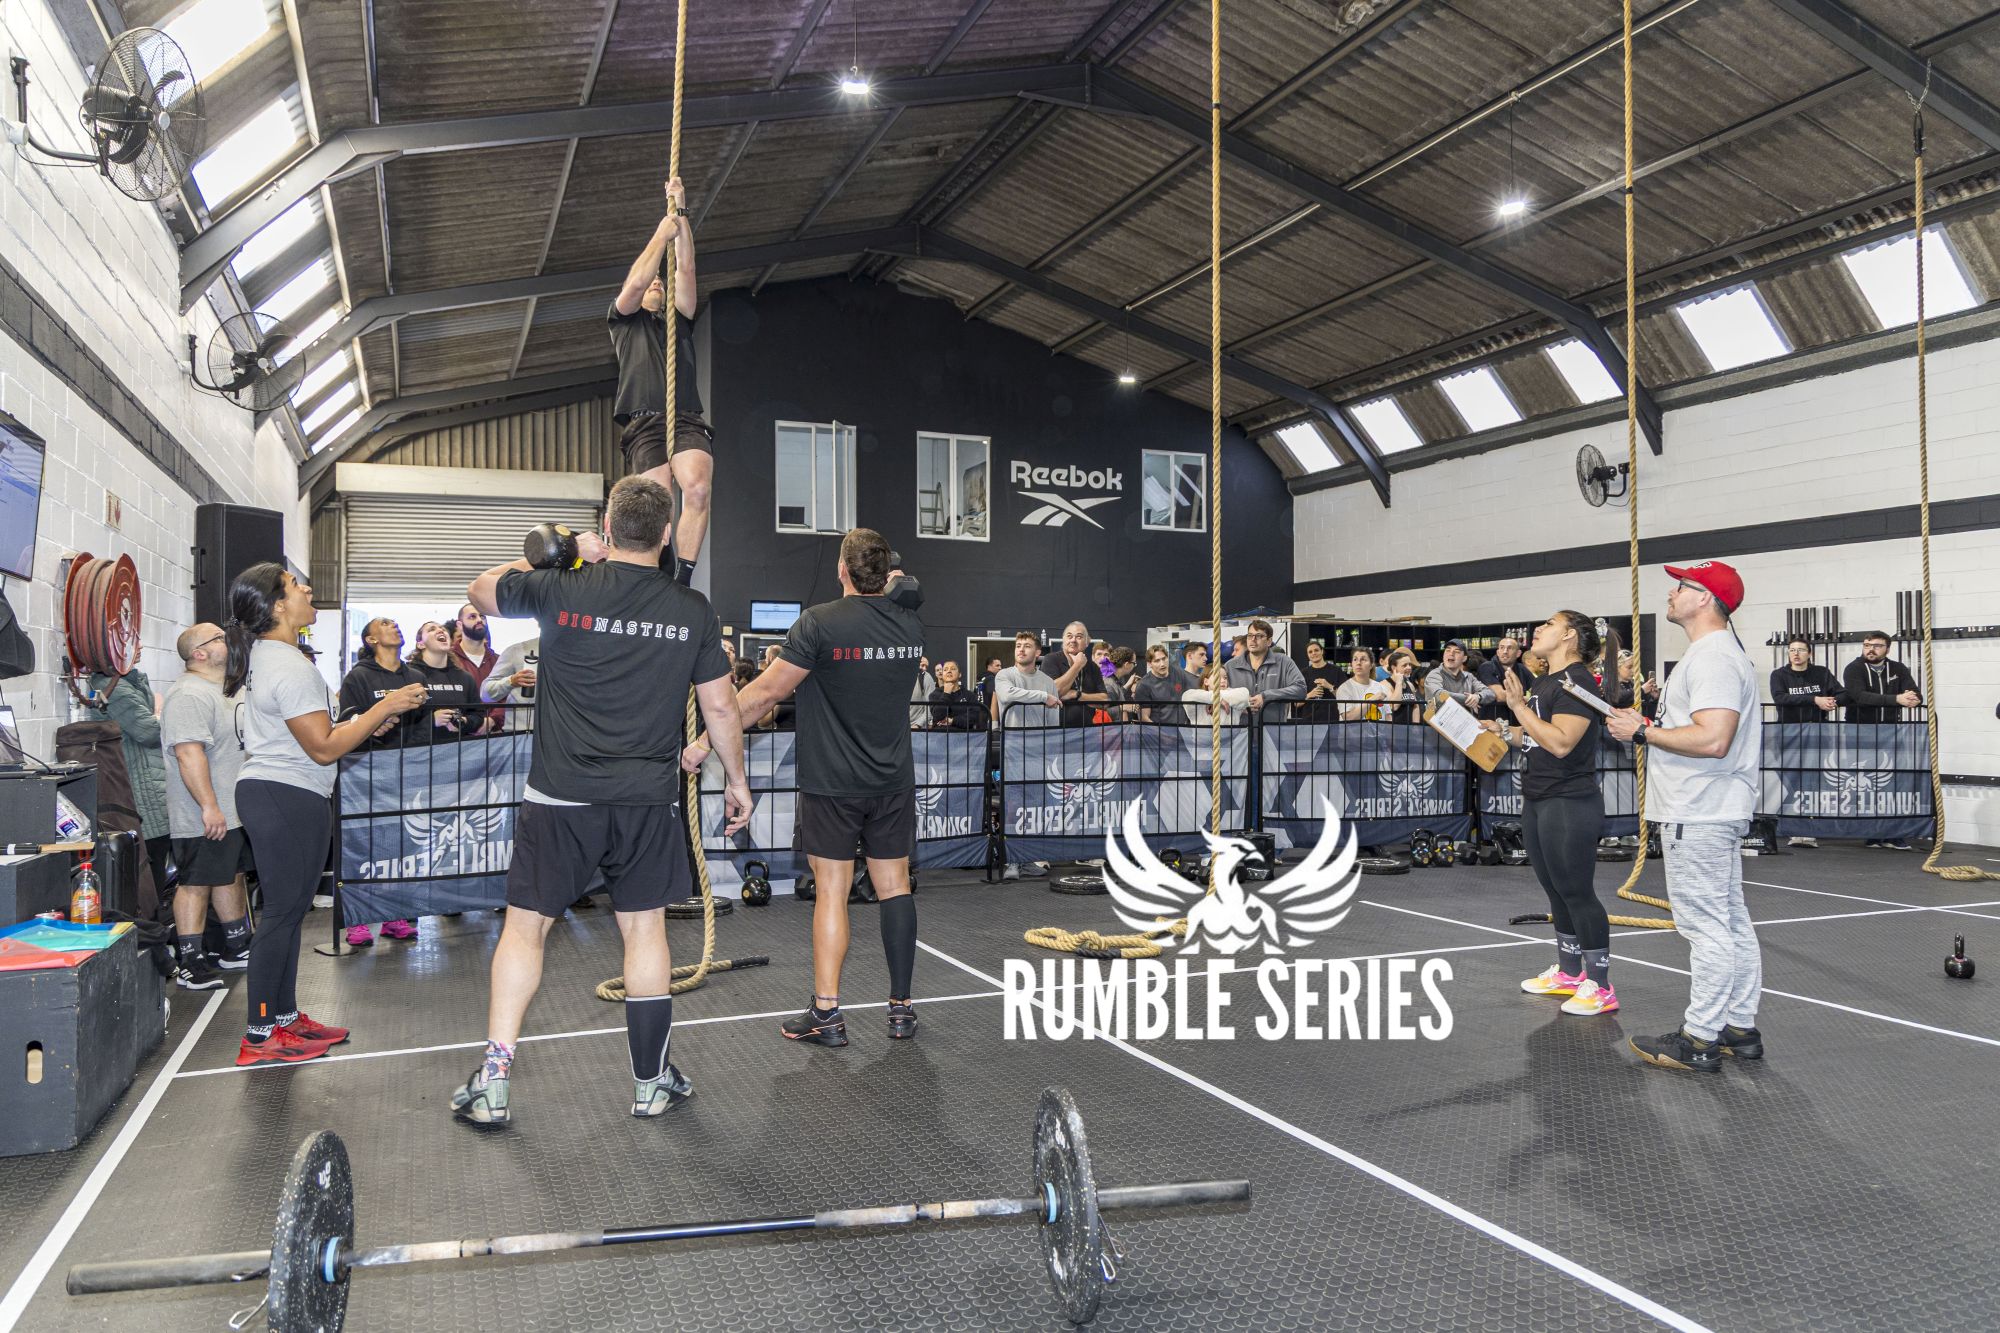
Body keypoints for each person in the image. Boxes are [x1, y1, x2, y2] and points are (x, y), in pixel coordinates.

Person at [454, 476, 750, 1124]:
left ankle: (494, 1082)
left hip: (559, 797)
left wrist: (560, 553)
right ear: (667, 535)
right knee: (643, 929)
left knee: (525, 928)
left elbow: (480, 589)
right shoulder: (691, 609)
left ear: (608, 529)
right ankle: (651, 1082)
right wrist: (737, 780)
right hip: (644, 800)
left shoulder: (562, 586)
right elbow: (722, 707)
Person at [726, 528, 923, 1048]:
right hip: (891, 780)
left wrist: (705, 741)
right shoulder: (910, 625)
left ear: (841, 569)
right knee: (895, 888)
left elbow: (764, 693)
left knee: (832, 892)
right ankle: (901, 1010)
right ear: (885, 572)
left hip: (834, 783)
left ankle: (827, 1014)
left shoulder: (818, 623)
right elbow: (904, 594)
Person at [225, 565, 426, 1066]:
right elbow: (322, 748)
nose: (309, 589)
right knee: (281, 915)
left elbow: (322, 734)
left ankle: (284, 1017)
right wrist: (386, 706)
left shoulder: (276, 657)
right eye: (297, 586)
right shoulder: (287, 665)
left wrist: (363, 723)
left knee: (290, 913)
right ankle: (259, 1035)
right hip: (285, 795)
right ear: (277, 606)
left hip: (286, 792)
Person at [1607, 561, 1764, 1073]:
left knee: (1705, 927)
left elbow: (1714, 739)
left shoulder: (1714, 657)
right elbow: (1700, 729)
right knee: (1730, 921)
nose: (1672, 594)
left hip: (1698, 811)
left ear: (1705, 599)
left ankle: (1699, 1038)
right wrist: (1650, 723)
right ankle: (1738, 1027)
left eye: (1683, 587)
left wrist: (1641, 732)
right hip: (1711, 808)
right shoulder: (1713, 654)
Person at [1490, 613, 1621, 1018]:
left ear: (1568, 635)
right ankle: (1569, 973)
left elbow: (1562, 742)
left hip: (1569, 802)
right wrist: (1499, 730)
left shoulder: (1577, 682)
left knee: (1577, 892)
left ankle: (1600, 986)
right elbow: (1535, 735)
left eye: (1548, 624)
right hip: (1539, 797)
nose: (1537, 630)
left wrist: (1517, 707)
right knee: (1556, 890)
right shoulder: (1546, 681)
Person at [609, 176, 710, 586]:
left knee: (697, 489)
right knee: (654, 507)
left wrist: (681, 213)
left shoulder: (679, 319)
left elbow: (685, 268)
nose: (657, 281)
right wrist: (660, 232)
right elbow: (636, 281)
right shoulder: (623, 320)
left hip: (684, 418)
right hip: (644, 422)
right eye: (654, 279)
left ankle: (683, 577)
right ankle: (651, 576)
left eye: (660, 282)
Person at [159, 622, 254, 990]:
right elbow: (188, 753)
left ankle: (236, 946)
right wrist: (209, 806)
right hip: (203, 813)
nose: (227, 641)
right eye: (218, 638)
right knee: (196, 883)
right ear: (199, 653)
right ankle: (190, 961)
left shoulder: (226, 689)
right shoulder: (189, 694)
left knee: (231, 874)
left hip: (233, 809)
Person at [86, 653, 172, 910]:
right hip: (142, 794)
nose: (139, 646)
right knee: (150, 872)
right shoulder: (113, 688)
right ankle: (149, 930)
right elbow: (150, 731)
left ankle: (154, 926)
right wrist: (161, 715)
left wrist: (156, 713)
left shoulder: (129, 682)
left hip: (150, 788)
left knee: (156, 869)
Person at [1842, 631, 1922, 849]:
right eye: (1867, 645)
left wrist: (1912, 698)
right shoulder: (1854, 668)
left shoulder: (1898, 668)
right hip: (1861, 734)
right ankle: (1872, 832)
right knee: (1867, 784)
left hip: (1891, 733)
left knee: (1892, 783)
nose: (1870, 649)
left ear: (1887, 648)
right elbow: (1860, 697)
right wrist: (1897, 699)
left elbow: (1915, 692)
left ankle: (1892, 832)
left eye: (1876, 645)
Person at [1768, 637, 1841, 848]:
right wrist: (1815, 700)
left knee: (1812, 782)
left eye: (1800, 650)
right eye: (1792, 650)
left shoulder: (1822, 673)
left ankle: (1809, 830)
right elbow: (1780, 698)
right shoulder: (1779, 675)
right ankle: (1794, 827)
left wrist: (1831, 701)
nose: (1796, 654)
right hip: (1788, 736)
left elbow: (1842, 693)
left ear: (1810, 653)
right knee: (1792, 781)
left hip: (1817, 735)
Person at [338, 618, 424, 751]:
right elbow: (347, 721)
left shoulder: (417, 677)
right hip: (371, 757)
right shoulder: (357, 677)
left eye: (394, 622)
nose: (395, 624)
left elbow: (426, 720)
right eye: (385, 623)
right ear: (371, 639)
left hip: (415, 756)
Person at [408, 620, 489, 739]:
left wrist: (464, 722)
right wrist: (432, 721)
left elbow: (478, 714)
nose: (440, 630)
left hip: (459, 746)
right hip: (420, 747)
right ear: (421, 644)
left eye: (443, 629)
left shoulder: (465, 677)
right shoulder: (409, 675)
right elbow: (401, 719)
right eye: (432, 629)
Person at [1223, 620, 1307, 724]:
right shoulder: (1230, 666)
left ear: (1269, 641)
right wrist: (1240, 703)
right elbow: (1216, 693)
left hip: (1272, 730)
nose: (1253, 640)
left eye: (1259, 636)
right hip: (1239, 731)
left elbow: (1300, 689)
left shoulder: (1284, 662)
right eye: (1250, 635)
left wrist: (1266, 696)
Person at [1041, 622, 1109, 727]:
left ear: (1087, 642)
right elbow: (1053, 691)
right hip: (1056, 729)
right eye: (1069, 636)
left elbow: (1105, 701)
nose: (1073, 640)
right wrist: (1077, 666)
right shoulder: (1051, 659)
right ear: (1063, 640)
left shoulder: (1093, 667)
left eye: (1079, 637)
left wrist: (1077, 695)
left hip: (1086, 729)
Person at [995, 632, 1063, 727]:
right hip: (1012, 736)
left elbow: (1053, 721)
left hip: (1041, 736)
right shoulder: (1004, 675)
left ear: (1037, 653)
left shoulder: (1048, 682)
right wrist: (1044, 697)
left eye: (1027, 646)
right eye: (1018, 646)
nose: (1021, 649)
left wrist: (1052, 737)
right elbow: (1007, 695)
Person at [481, 635, 540, 731]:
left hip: (562, 733)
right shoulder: (517, 651)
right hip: (522, 734)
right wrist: (511, 681)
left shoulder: (567, 653)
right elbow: (485, 694)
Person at [1133, 643, 1197, 724]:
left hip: (1182, 729)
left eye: (1164, 659)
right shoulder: (1143, 685)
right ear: (1149, 664)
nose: (1162, 664)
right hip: (1158, 730)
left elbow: (1196, 688)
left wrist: (1208, 703)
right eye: (1157, 661)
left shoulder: (1178, 672)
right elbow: (1144, 717)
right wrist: (1160, 731)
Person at [1424, 639, 1491, 715]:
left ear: (1464, 658)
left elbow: (1489, 693)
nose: (1451, 654)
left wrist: (1478, 697)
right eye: (1448, 650)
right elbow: (1440, 694)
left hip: (1465, 720)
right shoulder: (1434, 674)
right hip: (1440, 719)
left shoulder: (1468, 677)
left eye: (1457, 652)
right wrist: (1470, 698)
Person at [450, 603, 499, 695]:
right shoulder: (448, 659)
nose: (479, 620)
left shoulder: (499, 661)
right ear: (460, 625)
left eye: (482, 616)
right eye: (472, 617)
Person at [927, 660, 986, 730]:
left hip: (964, 734)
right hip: (941, 734)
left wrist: (952, 721)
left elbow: (974, 717)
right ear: (942, 675)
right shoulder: (934, 695)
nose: (949, 671)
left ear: (959, 674)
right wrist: (946, 694)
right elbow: (938, 716)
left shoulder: (970, 695)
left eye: (953, 669)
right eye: (945, 670)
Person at [1299, 640, 1341, 721]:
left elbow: (1344, 697)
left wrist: (1329, 686)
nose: (1313, 653)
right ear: (1307, 655)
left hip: (1331, 720)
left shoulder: (1336, 670)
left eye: (1316, 650)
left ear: (1322, 651)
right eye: (1310, 652)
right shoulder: (1303, 673)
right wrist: (1309, 695)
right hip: (1309, 721)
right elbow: (1296, 703)